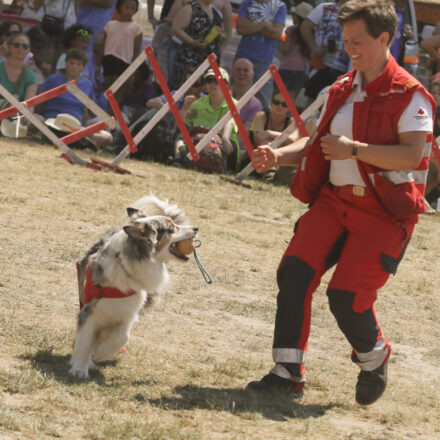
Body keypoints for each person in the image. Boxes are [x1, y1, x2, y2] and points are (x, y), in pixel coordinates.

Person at [247, 0, 435, 406]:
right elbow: (317, 143)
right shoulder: (341, 87)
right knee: (294, 274)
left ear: (384, 39)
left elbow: (411, 156)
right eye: (346, 39)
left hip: (384, 213)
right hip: (333, 204)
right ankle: (287, 371)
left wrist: (355, 150)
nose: (349, 49)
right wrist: (278, 155)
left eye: (358, 41)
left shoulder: (412, 96)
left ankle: (374, 356)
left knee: (346, 300)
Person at [38, 48, 112, 148]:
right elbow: (39, 103)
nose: (74, 67)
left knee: (108, 137)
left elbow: (85, 111)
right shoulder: (53, 79)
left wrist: (90, 127)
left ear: (83, 67)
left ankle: (82, 140)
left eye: (78, 64)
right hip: (53, 121)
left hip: (75, 126)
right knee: (36, 119)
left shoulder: (87, 84)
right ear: (66, 64)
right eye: (71, 63)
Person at [179, 67, 240, 172]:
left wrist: (225, 138)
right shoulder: (197, 104)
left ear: (227, 85)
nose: (213, 83)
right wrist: (184, 108)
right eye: (209, 80)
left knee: (229, 146)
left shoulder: (234, 104)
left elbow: (229, 122)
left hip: (223, 144)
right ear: (205, 85)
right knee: (179, 139)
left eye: (217, 80)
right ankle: (178, 159)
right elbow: (181, 127)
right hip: (198, 144)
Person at [234, 0, 286, 109]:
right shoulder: (247, 2)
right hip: (243, 56)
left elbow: (277, 33)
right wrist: (264, 24)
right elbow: (240, 28)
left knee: (262, 100)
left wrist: (251, 26)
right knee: (235, 96)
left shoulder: (280, 6)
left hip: (264, 59)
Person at [301, 0, 349, 103]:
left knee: (332, 108)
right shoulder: (324, 7)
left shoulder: (358, 12)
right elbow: (305, 26)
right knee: (312, 104)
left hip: (345, 70)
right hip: (322, 65)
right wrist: (313, 48)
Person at [96, 0, 143, 106]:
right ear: (119, 7)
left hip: (124, 62)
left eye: (132, 8)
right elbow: (103, 46)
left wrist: (132, 72)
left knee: (118, 94)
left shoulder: (136, 28)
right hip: (108, 60)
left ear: (135, 11)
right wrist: (98, 66)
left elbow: (136, 53)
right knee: (108, 92)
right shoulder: (110, 25)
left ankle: (112, 118)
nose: (128, 11)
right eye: (126, 7)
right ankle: (106, 118)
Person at [170, 0, 225, 89]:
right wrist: (192, 41)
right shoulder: (190, 8)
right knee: (185, 89)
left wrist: (219, 34)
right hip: (190, 59)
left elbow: (224, 35)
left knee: (206, 90)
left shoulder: (216, 13)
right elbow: (175, 28)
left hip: (209, 60)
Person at [278, 2, 313, 99]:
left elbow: (286, 49)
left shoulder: (290, 30)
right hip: (301, 70)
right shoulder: (311, 33)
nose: (292, 16)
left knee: (278, 97)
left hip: (286, 67)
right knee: (290, 101)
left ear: (297, 16)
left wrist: (279, 43)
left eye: (294, 14)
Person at [0, 32, 37, 105]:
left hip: (15, 115)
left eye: (25, 46)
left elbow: (29, 105)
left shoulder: (31, 76)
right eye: (16, 45)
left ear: (29, 50)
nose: (20, 49)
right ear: (9, 47)